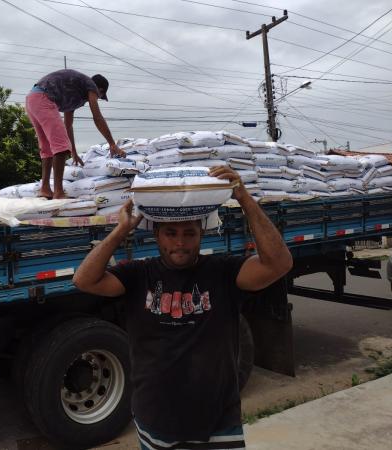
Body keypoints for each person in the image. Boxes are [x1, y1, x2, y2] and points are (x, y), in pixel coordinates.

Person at [73, 166, 293, 450]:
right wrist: (121, 230)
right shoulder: (137, 275)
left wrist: (244, 199)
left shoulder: (224, 272)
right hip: (156, 418)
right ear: (157, 236)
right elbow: (84, 280)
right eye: (171, 233)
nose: (180, 242)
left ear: (201, 234)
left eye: (189, 233)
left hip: (217, 420)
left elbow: (279, 263)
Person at [25, 69, 125, 199]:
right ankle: (59, 192)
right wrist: (112, 144)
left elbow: (68, 126)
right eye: (99, 96)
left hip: (32, 99)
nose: (96, 98)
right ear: (99, 90)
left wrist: (73, 152)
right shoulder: (90, 85)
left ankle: (45, 189)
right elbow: (97, 116)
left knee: (48, 148)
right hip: (44, 99)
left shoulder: (74, 92)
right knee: (60, 149)